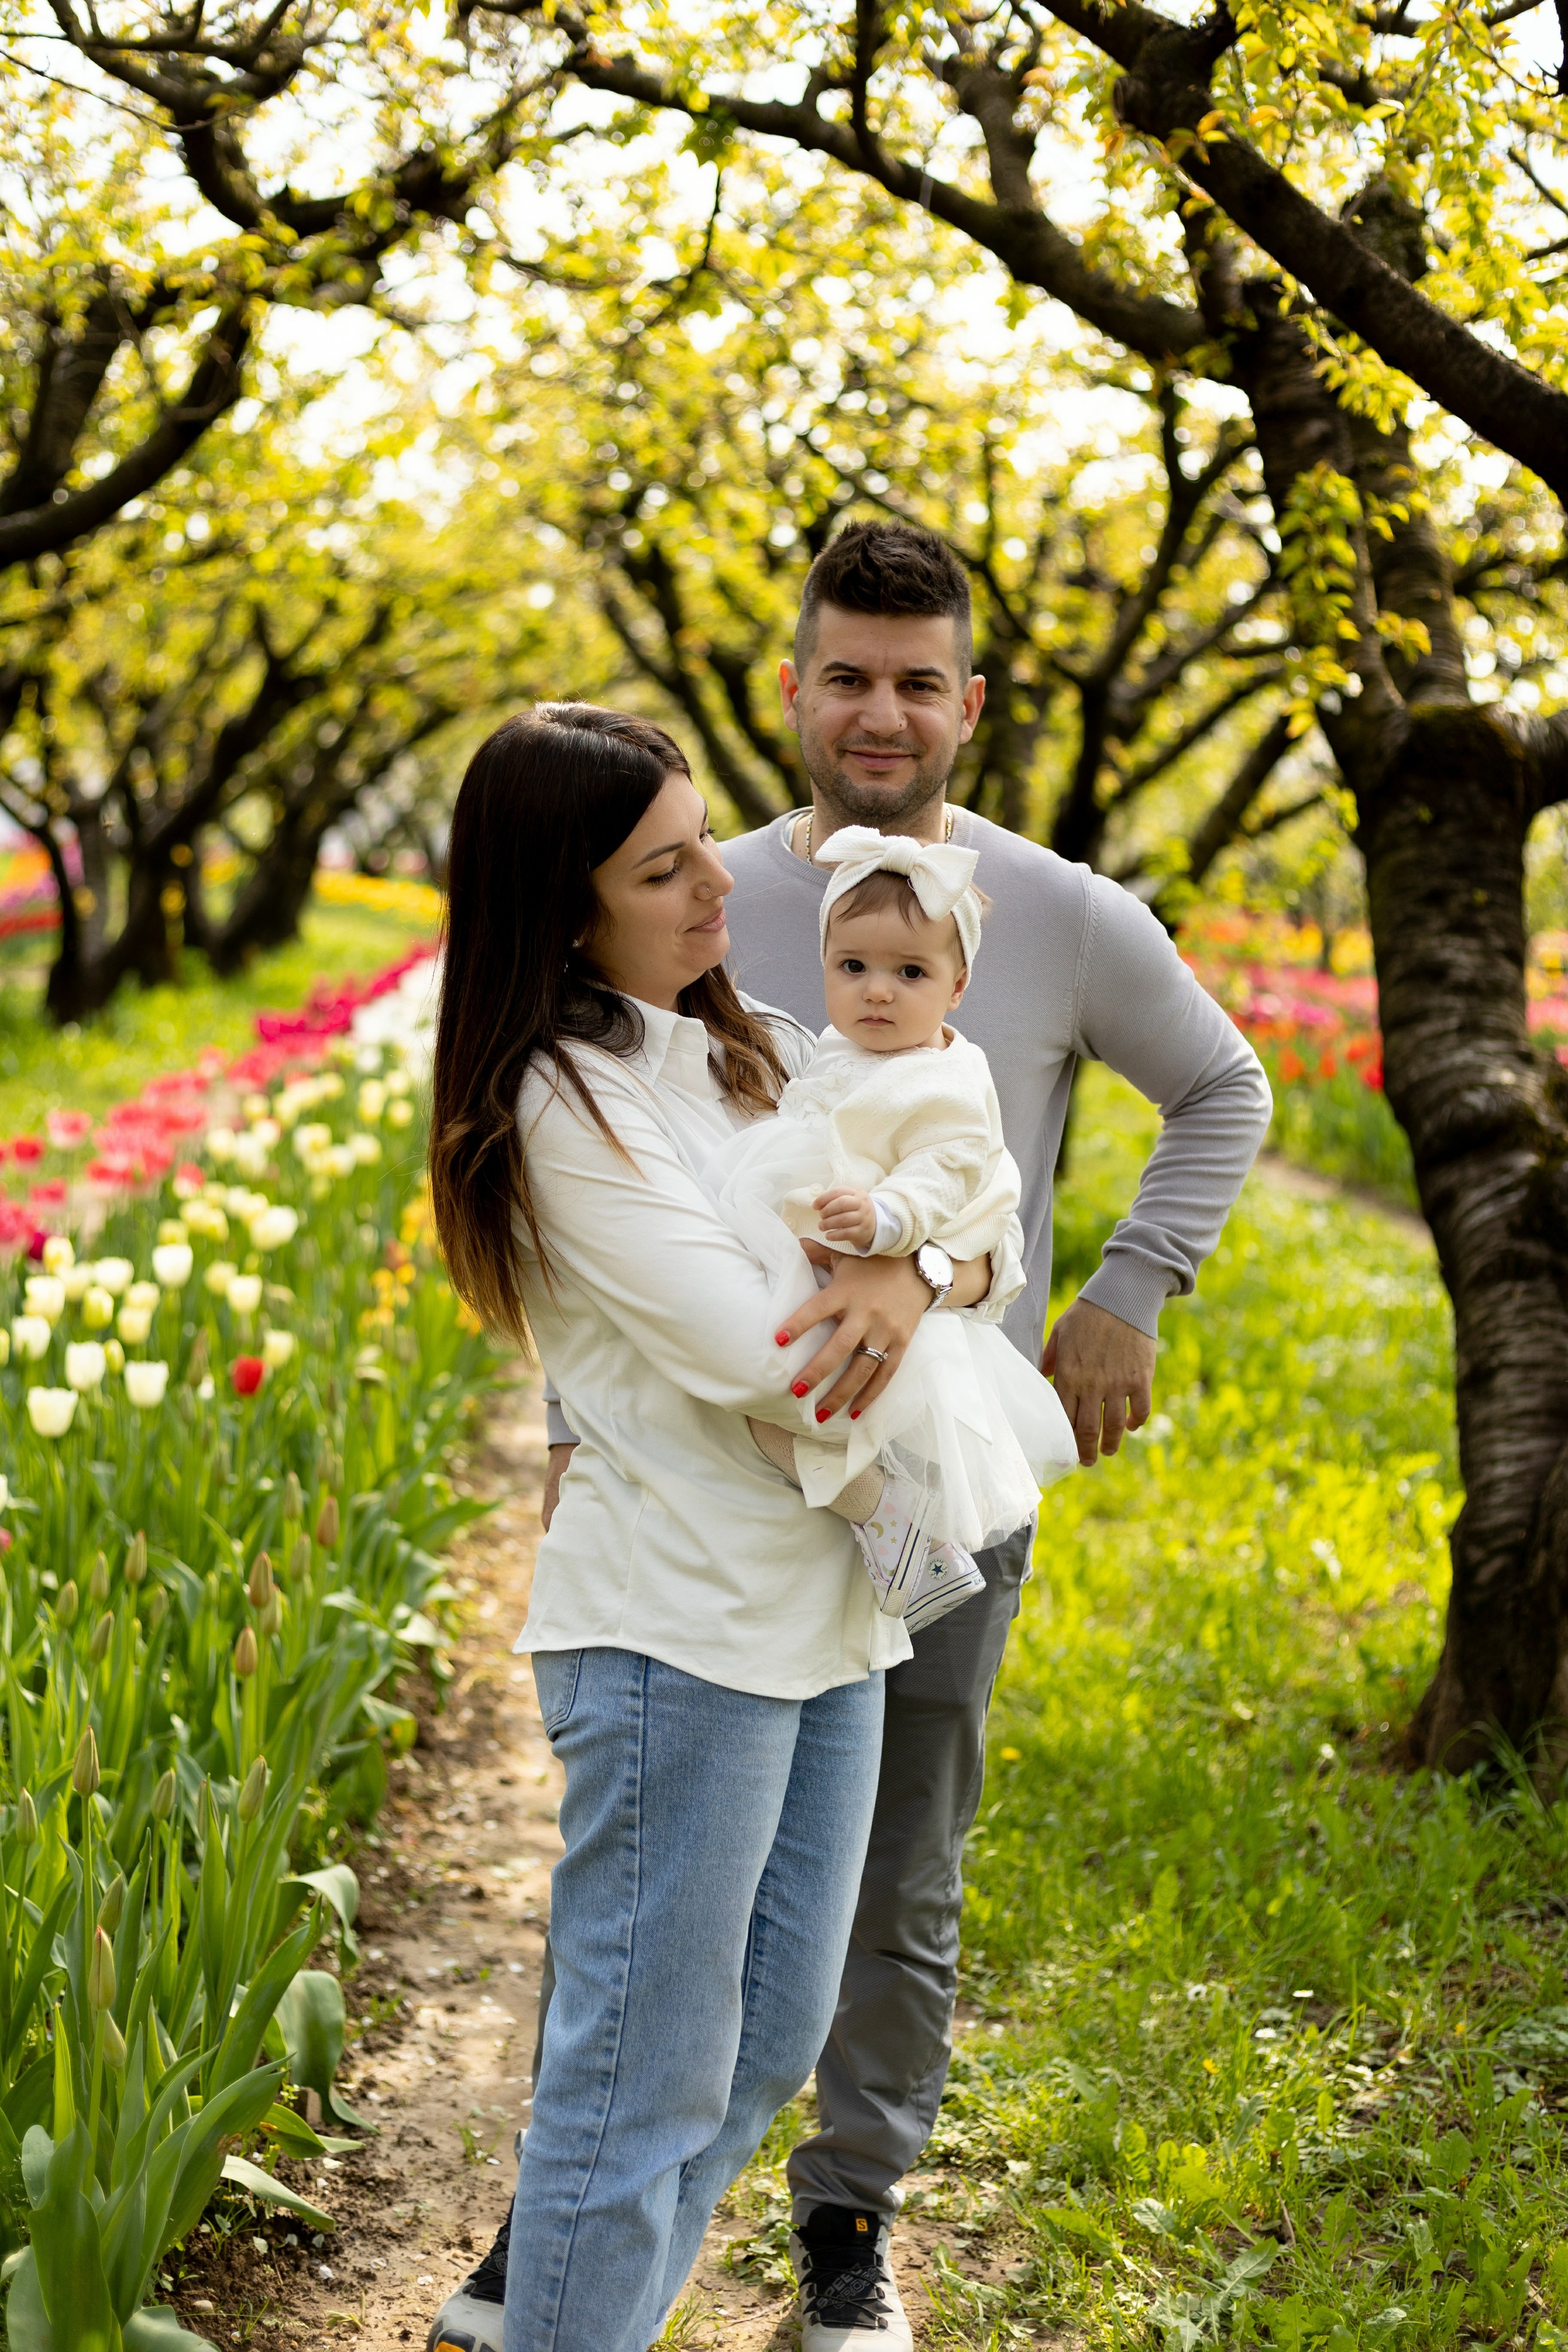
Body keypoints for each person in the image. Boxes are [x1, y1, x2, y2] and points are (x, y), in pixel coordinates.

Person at [431, 525, 1272, 2352]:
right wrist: (909, 1295)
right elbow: (741, 1319)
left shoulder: (880, 974)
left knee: (805, 1987)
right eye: (846, 673)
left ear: (969, 701)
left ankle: (785, 2235)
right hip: (709, 1582)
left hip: (866, 1564)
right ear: (792, 688)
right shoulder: (634, 1002)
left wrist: (1005, 1274)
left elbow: (1089, 1144)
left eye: (917, 679)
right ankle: (553, 2277)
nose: (721, 892)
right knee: (648, 2050)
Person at [425, 701, 1001, 2352]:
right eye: (662, 867)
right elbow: (781, 1367)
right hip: (679, 1634)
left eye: (702, 845)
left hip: (827, 1612)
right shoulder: (566, 1101)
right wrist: (896, 1281)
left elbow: (983, 1222)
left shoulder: (745, 1042)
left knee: (761, 2048)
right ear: (566, 905)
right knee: (638, 2086)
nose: (716, 888)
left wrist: (923, 1270)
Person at [708, 824, 1078, 1616]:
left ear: (957, 987)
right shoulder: (836, 1049)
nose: (878, 990)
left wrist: (889, 1220)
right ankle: (884, 1526)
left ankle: (892, 1522)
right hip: (822, 1260)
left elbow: (951, 1168)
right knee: (765, 1412)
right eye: (853, 967)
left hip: (884, 1268)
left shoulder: (943, 1077)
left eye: (909, 972)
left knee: (784, 1412)